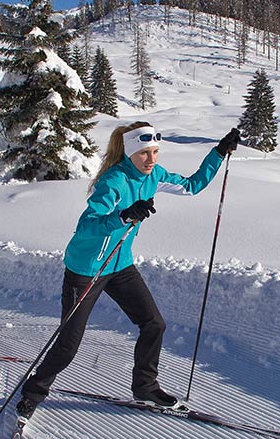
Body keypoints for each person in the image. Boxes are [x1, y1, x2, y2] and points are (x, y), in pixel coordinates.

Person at [16, 122, 241, 418]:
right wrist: (121, 217)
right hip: (87, 268)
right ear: (130, 152)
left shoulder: (155, 176)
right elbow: (86, 227)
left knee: (154, 324)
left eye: (156, 152)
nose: (152, 159)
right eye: (145, 153)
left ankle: (145, 386)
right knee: (69, 344)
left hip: (120, 264)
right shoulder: (113, 182)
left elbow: (192, 186)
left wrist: (219, 152)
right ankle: (33, 392)